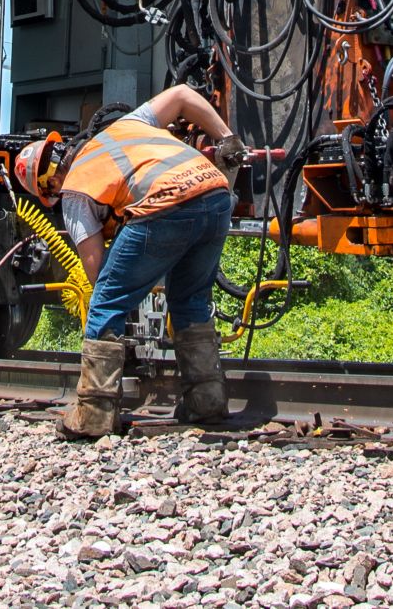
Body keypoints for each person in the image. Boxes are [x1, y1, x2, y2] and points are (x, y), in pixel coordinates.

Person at [15, 83, 246, 439]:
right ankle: (207, 402)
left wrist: (134, 280)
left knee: (105, 300)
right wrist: (228, 138)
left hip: (163, 204)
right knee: (191, 301)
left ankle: (94, 413)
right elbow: (183, 94)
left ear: (47, 189)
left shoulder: (74, 190)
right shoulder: (127, 125)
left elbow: (99, 272)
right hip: (215, 193)